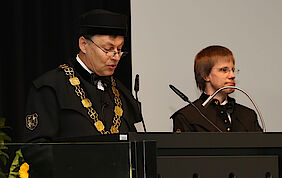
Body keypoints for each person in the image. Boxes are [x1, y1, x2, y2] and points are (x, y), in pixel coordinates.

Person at [21, 9, 143, 177]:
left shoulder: (121, 92)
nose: (115, 57)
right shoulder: (50, 86)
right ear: (84, 45)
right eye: (108, 49)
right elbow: (36, 149)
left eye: (119, 50)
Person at [171, 45, 263, 132]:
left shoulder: (248, 115)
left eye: (233, 70)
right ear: (205, 75)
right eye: (224, 70)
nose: (232, 75)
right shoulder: (187, 117)